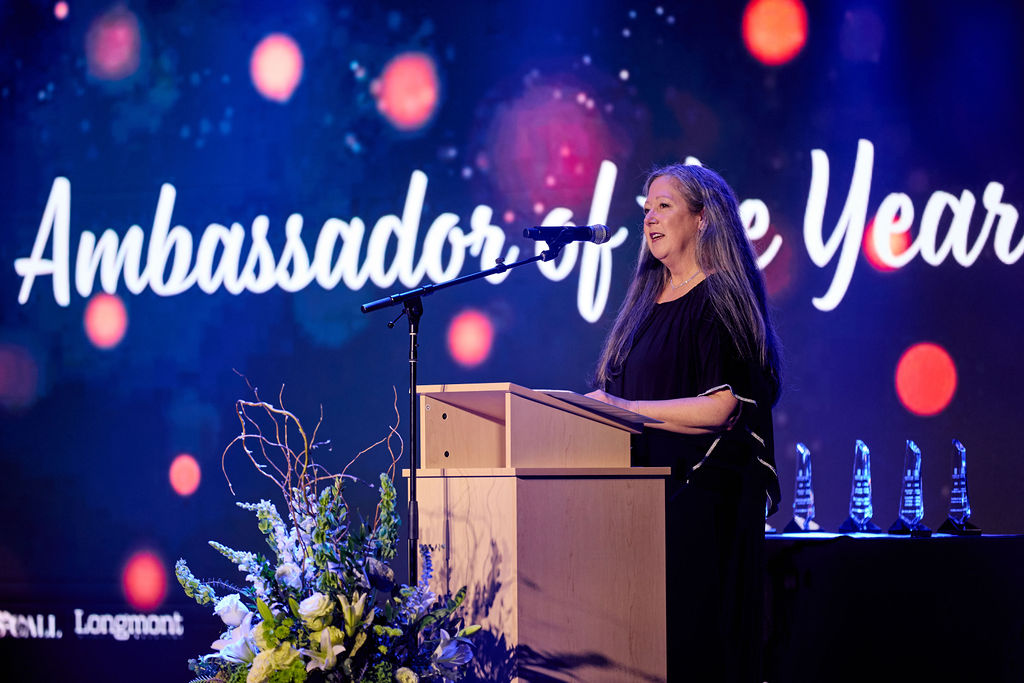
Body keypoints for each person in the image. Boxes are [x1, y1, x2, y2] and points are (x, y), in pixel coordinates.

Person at [586, 163, 782, 682]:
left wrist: (623, 408)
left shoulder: (719, 296)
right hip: (640, 507)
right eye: (646, 208)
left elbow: (723, 407)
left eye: (664, 206)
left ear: (702, 218)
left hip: (699, 509)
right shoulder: (643, 305)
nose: (649, 217)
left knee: (693, 655)